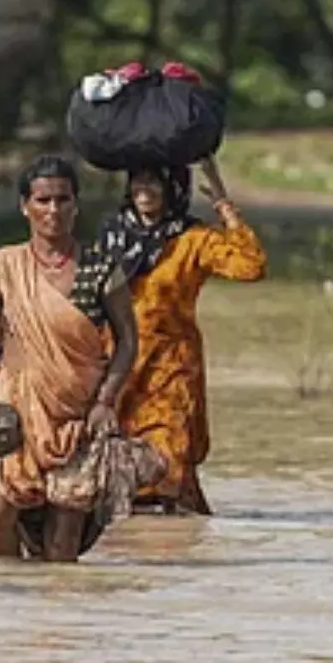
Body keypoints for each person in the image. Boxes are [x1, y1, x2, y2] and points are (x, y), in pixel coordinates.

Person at [0, 155, 166, 562]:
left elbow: (128, 339)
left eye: (62, 199)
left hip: (78, 418)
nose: (53, 210)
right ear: (25, 206)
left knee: (62, 548)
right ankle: (6, 608)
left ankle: (61, 623)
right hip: (16, 412)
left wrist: (106, 400)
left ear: (76, 204)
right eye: (42, 200)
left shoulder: (100, 267)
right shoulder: (2, 266)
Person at [112, 162, 266, 515]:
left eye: (154, 180)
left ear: (173, 189)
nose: (145, 188)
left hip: (171, 368)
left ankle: (173, 550)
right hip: (122, 367)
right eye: (140, 178)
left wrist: (224, 205)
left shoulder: (192, 240)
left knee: (170, 457)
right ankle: (136, 557)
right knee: (122, 466)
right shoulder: (113, 236)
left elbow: (251, 265)